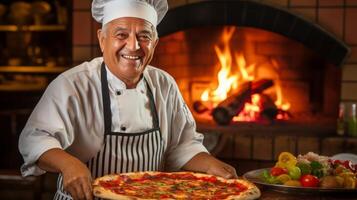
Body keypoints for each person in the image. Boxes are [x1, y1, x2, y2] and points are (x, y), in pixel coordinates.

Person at [18, 0, 237, 199]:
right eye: (121, 35)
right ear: (102, 40)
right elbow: (35, 140)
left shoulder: (164, 84)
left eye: (144, 36)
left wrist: (211, 166)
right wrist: (68, 164)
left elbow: (182, 145)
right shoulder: (73, 84)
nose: (133, 46)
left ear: (155, 43)